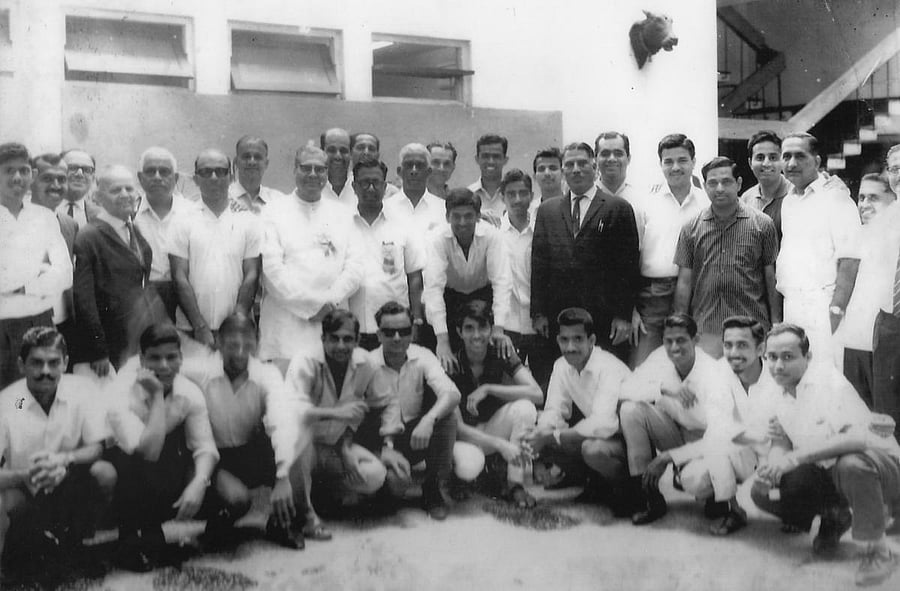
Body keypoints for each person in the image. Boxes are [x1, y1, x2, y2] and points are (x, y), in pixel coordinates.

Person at [750, 323, 900, 587]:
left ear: (807, 357)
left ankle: (879, 552)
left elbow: (856, 439)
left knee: (850, 465)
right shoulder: (775, 388)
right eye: (772, 358)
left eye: (788, 357)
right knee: (763, 493)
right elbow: (780, 441)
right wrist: (772, 470)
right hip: (835, 471)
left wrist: (793, 459)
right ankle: (836, 515)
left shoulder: (827, 382)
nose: (778, 366)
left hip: (883, 468)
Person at [180, 313, 309, 550]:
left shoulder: (266, 374)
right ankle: (217, 526)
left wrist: (282, 476)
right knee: (237, 500)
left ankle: (285, 523)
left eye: (247, 345)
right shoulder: (199, 370)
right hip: (214, 457)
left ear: (257, 344)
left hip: (250, 451)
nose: (240, 353)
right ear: (218, 342)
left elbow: (281, 421)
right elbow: (154, 364)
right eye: (232, 345)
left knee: (295, 449)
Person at [0, 327, 115, 575]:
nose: (45, 372)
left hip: (68, 480)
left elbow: (96, 447)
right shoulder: (8, 403)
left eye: (53, 363)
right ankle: (25, 545)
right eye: (36, 363)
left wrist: (64, 460)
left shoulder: (82, 390)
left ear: (65, 363)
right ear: (21, 365)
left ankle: (73, 544)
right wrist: (29, 473)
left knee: (104, 473)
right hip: (24, 490)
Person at [105, 324, 219, 572]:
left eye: (171, 357)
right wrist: (157, 396)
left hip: (156, 460)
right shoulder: (121, 390)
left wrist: (199, 483)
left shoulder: (189, 391)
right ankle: (130, 534)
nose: (164, 366)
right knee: (135, 462)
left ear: (181, 358)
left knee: (179, 461)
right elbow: (148, 451)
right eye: (155, 358)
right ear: (141, 358)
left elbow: (205, 445)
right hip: (121, 461)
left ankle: (150, 528)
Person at [619, 313, 735, 525]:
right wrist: (662, 388)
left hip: (705, 441)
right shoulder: (659, 357)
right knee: (630, 410)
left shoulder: (712, 371)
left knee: (698, 483)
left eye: (681, 340)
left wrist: (669, 457)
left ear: (695, 340)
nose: (674, 348)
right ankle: (650, 499)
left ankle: (718, 495)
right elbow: (625, 388)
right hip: (673, 429)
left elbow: (719, 436)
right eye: (668, 341)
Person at [258, 145, 364, 371]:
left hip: (332, 323)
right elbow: (272, 270)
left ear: (327, 172)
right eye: (306, 168)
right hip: (285, 326)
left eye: (320, 169)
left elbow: (355, 267)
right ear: (295, 170)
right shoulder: (273, 211)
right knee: (285, 400)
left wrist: (331, 302)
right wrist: (313, 306)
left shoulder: (343, 214)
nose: (313, 175)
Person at [531, 141, 640, 361]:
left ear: (594, 167)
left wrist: (623, 316)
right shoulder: (547, 211)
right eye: (570, 164)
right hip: (560, 317)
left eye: (582, 163)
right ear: (563, 170)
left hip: (603, 318)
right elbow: (539, 265)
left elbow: (627, 269)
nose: (576, 169)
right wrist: (538, 313)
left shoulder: (617, 208)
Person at [286, 310, 396, 525]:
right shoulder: (305, 360)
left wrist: (347, 446)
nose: (340, 346)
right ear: (323, 338)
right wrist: (336, 413)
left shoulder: (366, 364)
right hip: (303, 448)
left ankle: (323, 495)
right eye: (334, 338)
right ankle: (305, 513)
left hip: (335, 446)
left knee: (373, 474)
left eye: (347, 339)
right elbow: (292, 411)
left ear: (357, 341)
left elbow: (384, 403)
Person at [523, 308, 632, 512]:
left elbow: (604, 424)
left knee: (591, 449)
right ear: (557, 340)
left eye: (578, 339)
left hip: (629, 444)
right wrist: (540, 433)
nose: (570, 347)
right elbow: (554, 410)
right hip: (601, 436)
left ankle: (628, 489)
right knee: (539, 430)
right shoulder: (561, 366)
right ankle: (596, 483)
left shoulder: (608, 366)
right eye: (564, 340)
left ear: (591, 340)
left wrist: (551, 436)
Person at [675, 316, 776, 535]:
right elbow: (720, 426)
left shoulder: (776, 372)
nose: (733, 352)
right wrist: (753, 437)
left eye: (742, 345)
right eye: (728, 345)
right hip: (742, 453)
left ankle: (790, 507)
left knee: (723, 441)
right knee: (692, 478)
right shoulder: (719, 370)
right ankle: (734, 508)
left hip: (777, 456)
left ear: (760, 349)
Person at [673, 157, 781, 357]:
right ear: (704, 186)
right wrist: (680, 327)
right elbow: (684, 282)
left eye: (726, 182)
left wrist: (776, 325)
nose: (719, 188)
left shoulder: (762, 224)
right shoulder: (691, 228)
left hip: (752, 328)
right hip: (706, 331)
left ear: (739, 183)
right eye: (712, 183)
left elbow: (770, 277)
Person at [363, 302, 460, 520]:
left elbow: (452, 393)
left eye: (404, 331)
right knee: (394, 489)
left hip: (415, 434)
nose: (397, 337)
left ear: (412, 333)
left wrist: (428, 419)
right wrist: (381, 449)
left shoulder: (422, 355)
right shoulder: (367, 364)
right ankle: (383, 490)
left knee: (447, 418)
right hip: (379, 441)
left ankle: (433, 488)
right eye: (389, 332)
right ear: (378, 335)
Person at [777, 132, 860, 367]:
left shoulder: (837, 198)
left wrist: (835, 312)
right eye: (787, 156)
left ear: (817, 161)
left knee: (825, 380)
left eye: (800, 156)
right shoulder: (789, 201)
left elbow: (850, 260)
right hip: (792, 303)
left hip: (823, 306)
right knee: (796, 379)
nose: (792, 163)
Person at [449, 302, 541, 507]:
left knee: (525, 408)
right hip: (465, 437)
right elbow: (459, 428)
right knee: (469, 466)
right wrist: (501, 445)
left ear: (492, 329)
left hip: (491, 427)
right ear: (459, 331)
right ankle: (463, 477)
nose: (476, 335)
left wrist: (489, 388)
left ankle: (515, 484)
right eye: (469, 328)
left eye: (482, 327)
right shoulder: (452, 363)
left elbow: (536, 393)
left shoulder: (501, 353)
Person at [629, 134, 710, 368]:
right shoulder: (645, 202)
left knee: (691, 368)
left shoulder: (706, 204)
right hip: (652, 298)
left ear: (694, 162)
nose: (675, 167)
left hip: (697, 294)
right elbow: (632, 256)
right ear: (661, 164)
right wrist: (631, 309)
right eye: (668, 161)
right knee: (643, 368)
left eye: (682, 160)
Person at [169, 148, 261, 349]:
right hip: (191, 330)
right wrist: (200, 326)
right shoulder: (181, 221)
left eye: (220, 171)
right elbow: (179, 276)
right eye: (206, 172)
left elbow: (252, 274)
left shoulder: (248, 221)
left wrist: (236, 322)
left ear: (231, 177)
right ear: (195, 178)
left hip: (237, 330)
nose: (213, 177)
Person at [1, 143, 72, 390]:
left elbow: (64, 275)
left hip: (42, 323)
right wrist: (39, 273)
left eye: (23, 170)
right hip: (3, 327)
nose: (17, 177)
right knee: (10, 401)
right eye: (8, 170)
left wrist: (22, 287)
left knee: (41, 395)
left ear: (31, 175)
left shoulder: (43, 217)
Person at [73, 165, 153, 375]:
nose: (125, 195)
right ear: (98, 197)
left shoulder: (134, 230)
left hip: (136, 340)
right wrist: (98, 351)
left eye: (129, 188)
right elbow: (84, 301)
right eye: (116, 190)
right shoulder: (88, 237)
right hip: (109, 346)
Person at [424, 188, 513, 372]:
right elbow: (433, 289)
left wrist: (498, 329)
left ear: (478, 216)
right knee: (446, 359)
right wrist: (442, 341)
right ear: (447, 216)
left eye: (468, 216)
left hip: (482, 295)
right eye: (456, 216)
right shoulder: (437, 239)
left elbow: (502, 282)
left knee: (489, 356)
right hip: (450, 298)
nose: (462, 222)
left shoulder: (492, 236)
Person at [349, 157, 426, 351]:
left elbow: (414, 276)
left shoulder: (403, 224)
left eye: (376, 182)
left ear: (385, 186)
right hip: (352, 325)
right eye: (364, 183)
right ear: (354, 186)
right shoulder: (341, 223)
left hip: (394, 328)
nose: (371, 188)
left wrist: (416, 319)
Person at [838, 173, 899, 407]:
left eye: (873, 198)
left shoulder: (894, 236)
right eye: (861, 197)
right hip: (853, 340)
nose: (863, 204)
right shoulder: (855, 237)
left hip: (885, 345)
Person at [498, 168, 554, 390]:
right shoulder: (494, 233)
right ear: (502, 197)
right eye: (511, 194)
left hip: (540, 325)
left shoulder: (544, 229)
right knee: (514, 389)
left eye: (523, 193)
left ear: (532, 196)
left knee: (545, 386)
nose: (517, 199)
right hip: (509, 326)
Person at [135, 147, 194, 322]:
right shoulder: (131, 214)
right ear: (140, 178)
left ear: (175, 178)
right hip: (146, 298)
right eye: (150, 171)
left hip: (187, 295)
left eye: (164, 171)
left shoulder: (193, 213)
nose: (157, 177)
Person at [29, 153, 79, 352]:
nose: (56, 185)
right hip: (27, 329)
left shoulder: (69, 225)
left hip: (65, 327)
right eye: (48, 178)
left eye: (62, 179)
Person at [873, 145, 900, 434]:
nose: (899, 175)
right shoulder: (885, 217)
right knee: (888, 412)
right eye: (894, 168)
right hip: (889, 323)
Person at [383, 143, 447, 240]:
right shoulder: (385, 209)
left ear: (429, 172)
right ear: (399, 171)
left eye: (420, 165)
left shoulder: (443, 209)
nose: (414, 171)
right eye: (408, 165)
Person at [741, 130, 790, 243]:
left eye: (773, 157)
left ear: (782, 161)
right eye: (760, 157)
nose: (766, 163)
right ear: (750, 163)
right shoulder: (746, 198)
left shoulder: (795, 192)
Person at [228, 135, 285, 214]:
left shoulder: (279, 200)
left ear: (266, 163)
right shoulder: (223, 198)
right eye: (246, 157)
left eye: (258, 157)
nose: (252, 162)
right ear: (236, 162)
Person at [468, 134, 509, 226]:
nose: (491, 161)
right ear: (477, 159)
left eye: (496, 156)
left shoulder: (514, 195)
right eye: (486, 156)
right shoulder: (468, 195)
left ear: (505, 160)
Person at [57, 149, 101, 228]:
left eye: (87, 170)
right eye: (72, 168)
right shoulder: (42, 211)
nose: (80, 174)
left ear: (93, 177)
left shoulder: (101, 217)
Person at [349, 132, 399, 199]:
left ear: (378, 155)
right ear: (350, 153)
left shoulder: (391, 193)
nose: (366, 152)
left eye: (371, 149)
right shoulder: (341, 188)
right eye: (360, 148)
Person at [321, 128, 356, 208]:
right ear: (321, 152)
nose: (338, 156)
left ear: (351, 154)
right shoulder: (311, 188)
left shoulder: (362, 187)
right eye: (332, 150)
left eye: (343, 151)